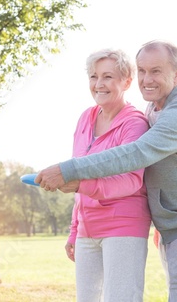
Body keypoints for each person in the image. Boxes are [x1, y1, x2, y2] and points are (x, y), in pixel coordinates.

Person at [36, 40, 177, 302]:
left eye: (156, 71)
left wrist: (69, 171)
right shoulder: (156, 107)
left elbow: (135, 155)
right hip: (174, 224)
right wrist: (160, 215)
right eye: (143, 71)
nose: (147, 79)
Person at [60, 48, 151, 302]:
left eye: (108, 77)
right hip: (87, 229)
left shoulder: (135, 123)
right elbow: (80, 172)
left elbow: (131, 180)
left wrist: (79, 183)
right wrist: (74, 229)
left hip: (123, 225)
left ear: (126, 81)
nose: (99, 84)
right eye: (93, 76)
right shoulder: (85, 119)